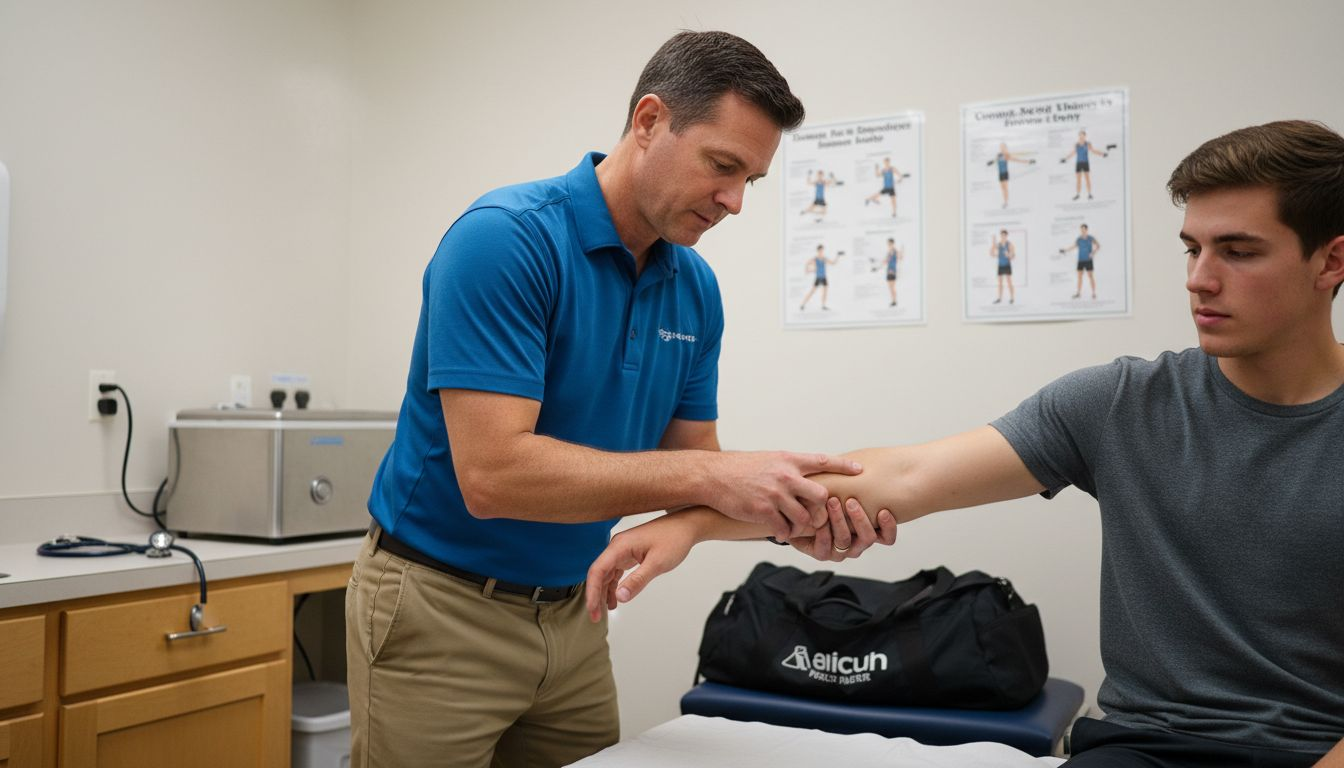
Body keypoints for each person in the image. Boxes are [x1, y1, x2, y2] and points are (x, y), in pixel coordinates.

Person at [585, 120, 1344, 767]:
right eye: (1192, 249)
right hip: (1147, 746)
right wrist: (690, 522)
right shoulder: (1119, 403)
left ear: (1330, 261)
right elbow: (903, 475)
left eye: (1238, 252)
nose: (1199, 280)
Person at [344, 31, 863, 768]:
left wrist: (799, 511)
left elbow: (699, 476)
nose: (736, 202)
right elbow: (494, 477)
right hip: (439, 608)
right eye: (723, 166)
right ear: (649, 121)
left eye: (752, 179)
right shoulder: (505, 242)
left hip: (576, 612)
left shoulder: (695, 288)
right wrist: (715, 481)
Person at [1062, 129, 1110, 201]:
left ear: (1085, 136)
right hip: (1078, 163)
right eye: (1080, 135)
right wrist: (1065, 159)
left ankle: (1089, 194)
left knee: (1087, 179)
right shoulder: (1076, 144)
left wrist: (1102, 154)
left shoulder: (1088, 144)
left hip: (1085, 163)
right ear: (1079, 136)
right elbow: (1073, 153)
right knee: (1078, 180)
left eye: (1082, 135)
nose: (1081, 136)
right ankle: (1078, 195)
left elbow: (1093, 151)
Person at [988, 141, 1035, 208]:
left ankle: (1006, 202)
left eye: (1003, 147)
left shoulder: (1007, 155)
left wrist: (1028, 161)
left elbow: (1016, 160)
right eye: (1001, 147)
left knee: (1005, 188)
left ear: (1005, 148)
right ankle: (1005, 201)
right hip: (1000, 174)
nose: (1001, 148)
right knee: (1002, 189)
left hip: (1005, 173)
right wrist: (991, 162)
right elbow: (995, 160)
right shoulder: (998, 155)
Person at [1059, 223, 1101, 298]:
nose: (1082, 231)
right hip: (1080, 260)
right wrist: (1065, 250)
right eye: (1081, 229)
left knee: (1090, 276)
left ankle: (1094, 293)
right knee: (1079, 277)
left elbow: (1098, 246)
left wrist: (1093, 253)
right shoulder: (1079, 239)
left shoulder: (1090, 238)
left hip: (1088, 260)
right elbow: (1074, 246)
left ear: (1086, 230)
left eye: (1084, 229)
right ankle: (1078, 293)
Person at [799, 244, 842, 311]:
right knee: (812, 292)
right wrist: (808, 270)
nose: (822, 251)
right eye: (821, 250)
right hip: (818, 278)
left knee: (825, 292)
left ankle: (823, 306)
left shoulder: (824, 258)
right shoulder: (815, 259)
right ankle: (803, 304)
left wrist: (838, 256)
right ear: (818, 250)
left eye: (822, 250)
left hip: (824, 277)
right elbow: (807, 263)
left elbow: (833, 263)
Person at [990, 229, 1015, 304]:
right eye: (1002, 235)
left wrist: (1009, 255)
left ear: (1006, 236)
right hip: (1000, 265)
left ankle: (1012, 298)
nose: (1003, 236)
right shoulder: (999, 244)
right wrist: (993, 242)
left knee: (1009, 282)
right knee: (1000, 283)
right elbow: (992, 253)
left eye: (1004, 235)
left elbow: (1013, 255)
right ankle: (999, 298)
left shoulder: (1009, 244)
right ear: (1000, 236)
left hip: (1007, 265)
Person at [883, 238, 902, 306]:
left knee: (892, 287)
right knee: (891, 287)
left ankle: (894, 301)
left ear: (892, 243)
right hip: (889, 270)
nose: (888, 245)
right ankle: (894, 301)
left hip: (892, 270)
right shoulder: (890, 251)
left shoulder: (894, 251)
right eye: (888, 244)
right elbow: (886, 261)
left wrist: (899, 254)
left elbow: (899, 258)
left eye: (889, 244)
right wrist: (885, 261)